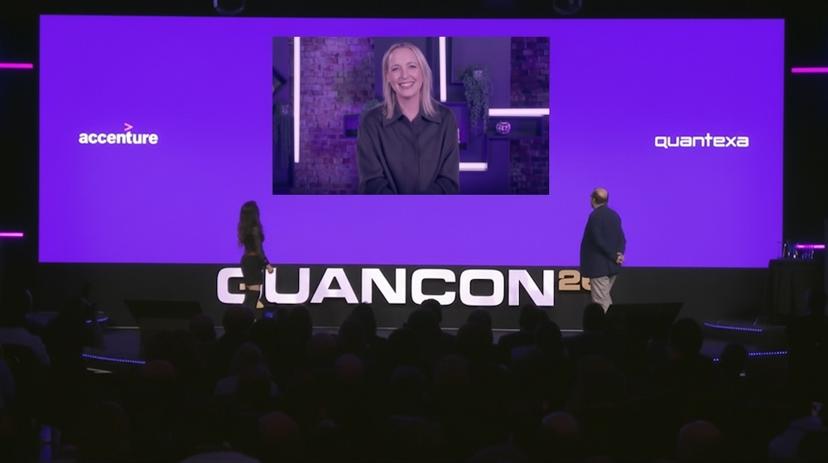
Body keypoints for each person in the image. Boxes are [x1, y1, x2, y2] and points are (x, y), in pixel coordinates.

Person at [357, 42, 459, 194]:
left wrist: (419, 211)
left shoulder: (446, 119)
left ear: (423, 73)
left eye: (412, 66)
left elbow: (448, 182)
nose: (404, 75)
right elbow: (372, 184)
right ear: (388, 77)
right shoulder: (370, 123)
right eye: (395, 68)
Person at [579, 187, 626, 311]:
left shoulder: (595, 216)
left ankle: (609, 328)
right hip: (612, 267)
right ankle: (611, 326)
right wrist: (620, 254)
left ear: (593, 199)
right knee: (604, 299)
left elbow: (598, 240)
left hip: (599, 267)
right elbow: (622, 238)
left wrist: (614, 255)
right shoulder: (614, 215)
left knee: (601, 302)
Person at [237, 201, 273, 310]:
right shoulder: (255, 229)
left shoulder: (243, 228)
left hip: (246, 261)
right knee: (253, 295)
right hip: (253, 262)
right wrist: (267, 264)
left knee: (249, 295)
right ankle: (247, 319)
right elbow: (259, 249)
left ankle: (244, 318)